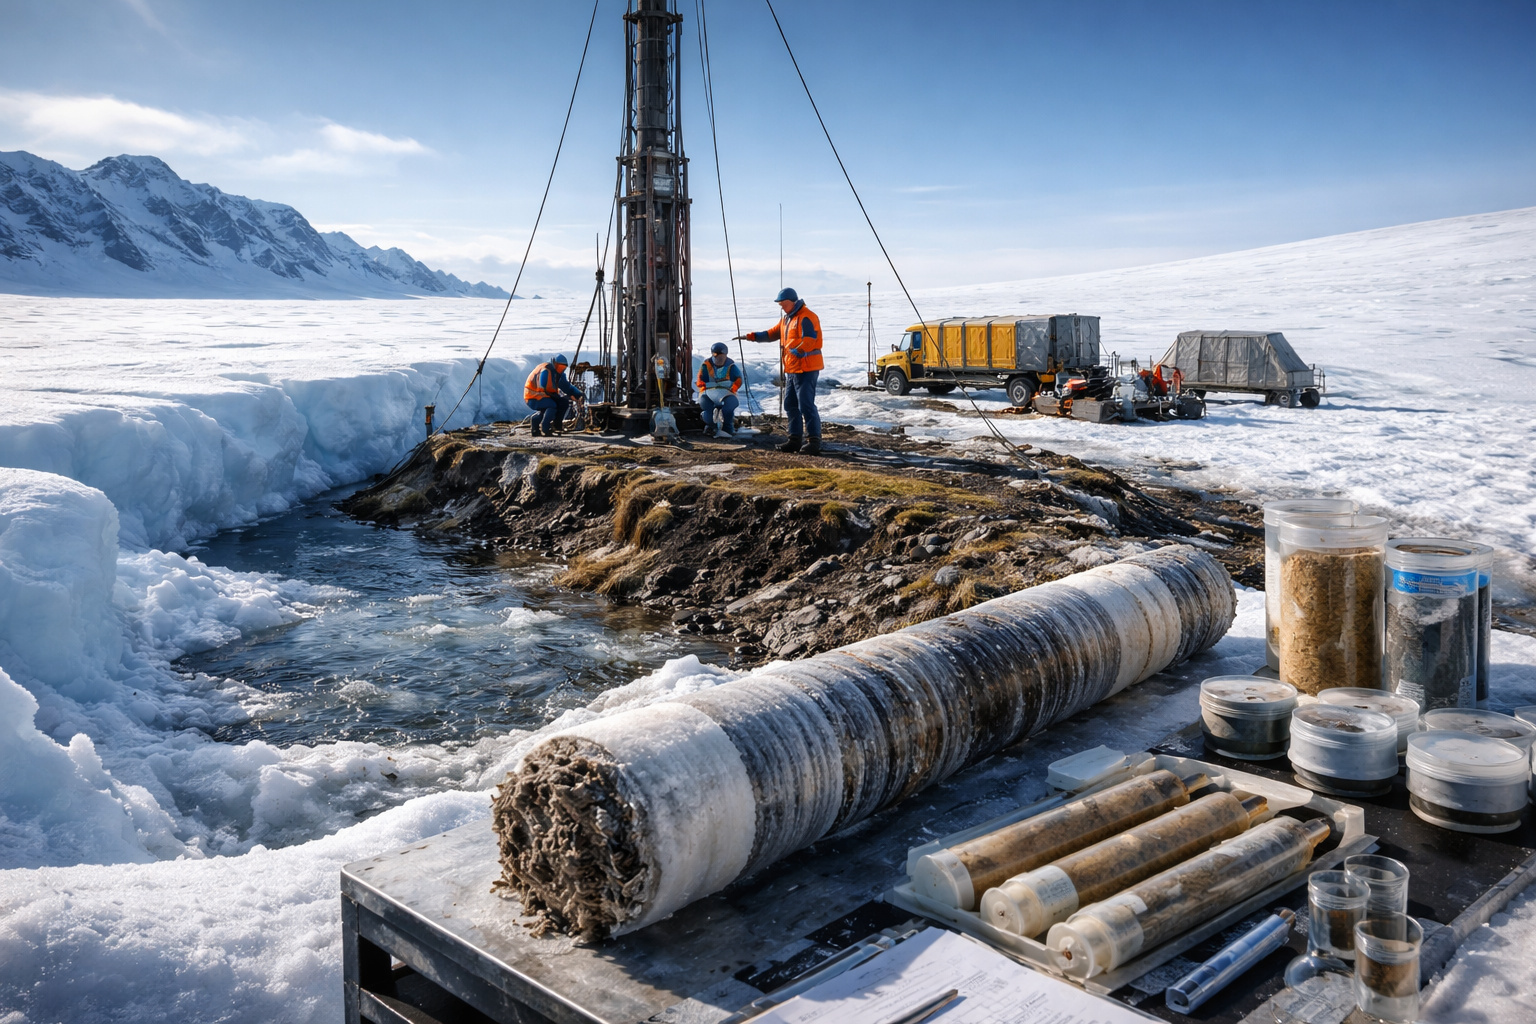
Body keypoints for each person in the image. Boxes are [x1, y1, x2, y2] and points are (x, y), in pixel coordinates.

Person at [736, 287, 823, 454]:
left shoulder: (807, 317)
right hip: (791, 369)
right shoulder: (786, 320)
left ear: (792, 301)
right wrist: (751, 336)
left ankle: (814, 441)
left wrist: (801, 349)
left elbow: (810, 339)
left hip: (806, 369)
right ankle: (794, 440)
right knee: (790, 404)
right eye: (780, 304)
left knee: (806, 405)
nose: (781, 306)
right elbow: (771, 334)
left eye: (783, 303)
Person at [524, 354, 583, 437]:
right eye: (559, 367)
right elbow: (543, 385)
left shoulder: (558, 374)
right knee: (552, 405)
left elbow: (565, 386)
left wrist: (577, 394)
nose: (561, 370)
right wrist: (555, 396)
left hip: (545, 396)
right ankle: (545, 428)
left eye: (563, 368)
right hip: (533, 397)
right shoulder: (545, 370)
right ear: (554, 364)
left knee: (563, 403)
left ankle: (554, 425)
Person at [696, 342, 744, 436]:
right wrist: (703, 384)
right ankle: (711, 426)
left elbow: (739, 379)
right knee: (708, 411)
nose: (719, 359)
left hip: (726, 392)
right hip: (709, 392)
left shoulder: (731, 366)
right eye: (716, 356)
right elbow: (699, 380)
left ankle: (727, 428)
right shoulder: (706, 366)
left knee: (729, 407)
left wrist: (733, 388)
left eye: (721, 357)